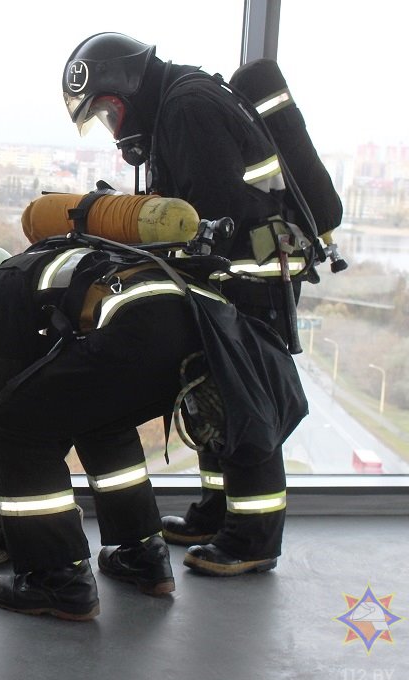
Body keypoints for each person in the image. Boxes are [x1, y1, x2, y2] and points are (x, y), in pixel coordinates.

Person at [61, 32, 341, 576]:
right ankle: (217, 511)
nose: (112, 128)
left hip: (249, 279)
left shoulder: (187, 108)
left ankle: (252, 538)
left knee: (246, 402)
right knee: (212, 397)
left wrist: (140, 232)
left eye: (108, 112)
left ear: (128, 87)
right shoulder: (176, 102)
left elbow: (214, 214)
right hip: (231, 278)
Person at [0, 237, 234, 620]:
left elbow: (9, 403)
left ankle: (57, 578)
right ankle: (143, 554)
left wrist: (11, 489)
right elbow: (58, 406)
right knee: (98, 419)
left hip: (143, 329)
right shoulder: (51, 267)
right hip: (200, 331)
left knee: (9, 421)